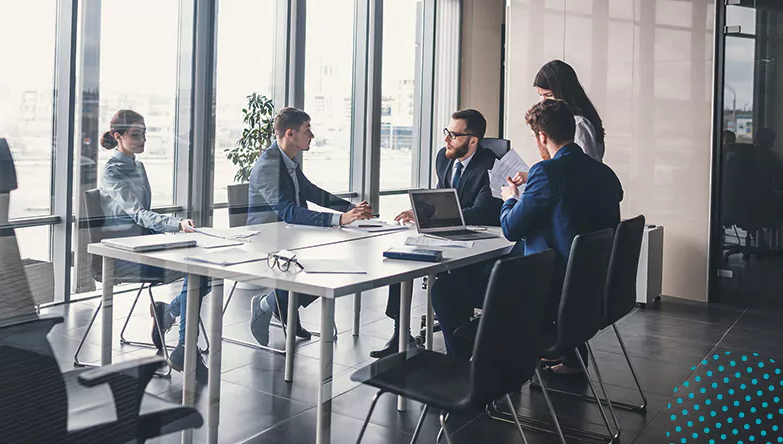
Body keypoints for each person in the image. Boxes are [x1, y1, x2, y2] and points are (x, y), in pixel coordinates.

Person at [500, 99, 623, 374]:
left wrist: (510, 199)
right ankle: (570, 357)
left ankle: (483, 372)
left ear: (542, 136)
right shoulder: (605, 173)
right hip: (593, 286)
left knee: (451, 290)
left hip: (554, 289)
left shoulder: (545, 172)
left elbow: (511, 229)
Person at [370, 109, 504, 358]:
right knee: (403, 258)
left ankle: (462, 349)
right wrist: (421, 212)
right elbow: (442, 198)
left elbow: (481, 212)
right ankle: (401, 334)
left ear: (473, 140)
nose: (446, 140)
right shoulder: (444, 158)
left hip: (479, 240)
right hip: (445, 232)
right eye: (447, 133)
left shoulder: (491, 166)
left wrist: (434, 217)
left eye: (453, 135)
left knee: (448, 286)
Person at [247, 107, 373, 346]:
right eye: (307, 130)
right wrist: (339, 220)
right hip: (267, 239)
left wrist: (351, 208)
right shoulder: (268, 166)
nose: (312, 136)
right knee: (320, 269)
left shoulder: (289, 161)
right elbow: (288, 211)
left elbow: (312, 192)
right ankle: (268, 304)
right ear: (290, 134)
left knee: (327, 267)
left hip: (290, 235)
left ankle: (280, 305)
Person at [99, 109, 210, 372]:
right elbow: (137, 213)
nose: (143, 140)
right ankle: (181, 341)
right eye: (136, 135)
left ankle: (171, 318)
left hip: (146, 242)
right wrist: (175, 224)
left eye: (144, 134)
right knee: (197, 274)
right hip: (125, 252)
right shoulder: (112, 171)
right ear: (118, 136)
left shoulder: (138, 166)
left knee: (203, 272)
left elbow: (144, 214)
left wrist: (173, 227)